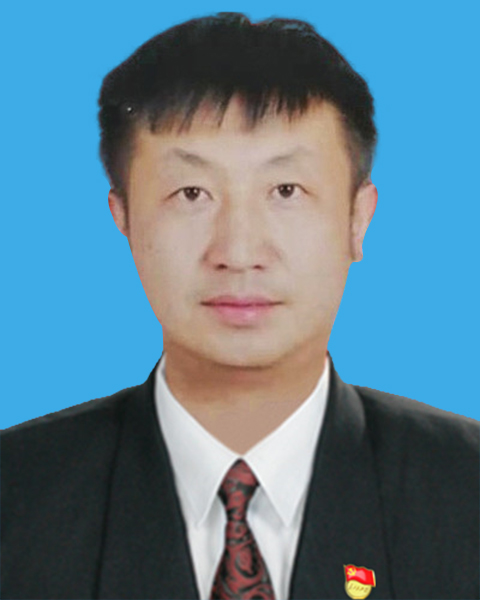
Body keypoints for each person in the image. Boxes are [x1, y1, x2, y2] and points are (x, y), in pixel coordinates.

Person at [1, 12, 478, 600]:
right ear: (123, 219)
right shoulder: (15, 495)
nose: (239, 252)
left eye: (286, 191)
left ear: (358, 219)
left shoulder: (467, 491)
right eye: (191, 193)